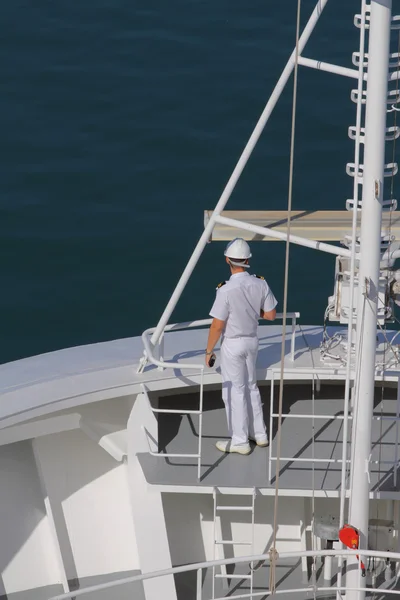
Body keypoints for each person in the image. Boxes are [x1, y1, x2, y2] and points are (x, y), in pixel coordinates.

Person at [205, 238, 277, 455]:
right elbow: (271, 315)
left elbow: (217, 326)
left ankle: (240, 441)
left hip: (233, 344)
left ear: (228, 260)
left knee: (234, 391)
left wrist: (209, 352)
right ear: (247, 261)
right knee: (251, 386)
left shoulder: (225, 290)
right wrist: (253, 312)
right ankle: (260, 434)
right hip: (252, 341)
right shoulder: (260, 283)